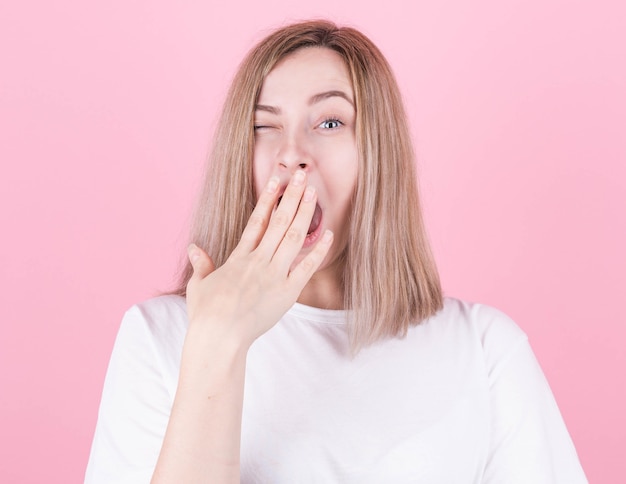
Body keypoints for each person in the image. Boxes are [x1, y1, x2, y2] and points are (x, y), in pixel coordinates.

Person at [85, 20, 587, 483]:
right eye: (265, 125)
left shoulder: (484, 352)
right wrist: (217, 343)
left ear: (378, 154)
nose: (292, 152)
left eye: (330, 123)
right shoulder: (159, 338)